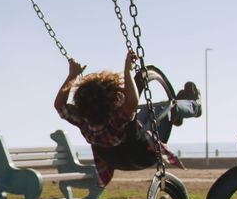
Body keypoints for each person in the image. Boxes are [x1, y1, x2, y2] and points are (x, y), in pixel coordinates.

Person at [54, 51, 201, 186]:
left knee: (147, 115)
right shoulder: (116, 120)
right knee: (166, 108)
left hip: (119, 159)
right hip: (142, 154)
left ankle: (177, 113)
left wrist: (72, 76)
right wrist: (128, 71)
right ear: (112, 99)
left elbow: (59, 105)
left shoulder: (83, 120)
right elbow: (132, 101)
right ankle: (194, 106)